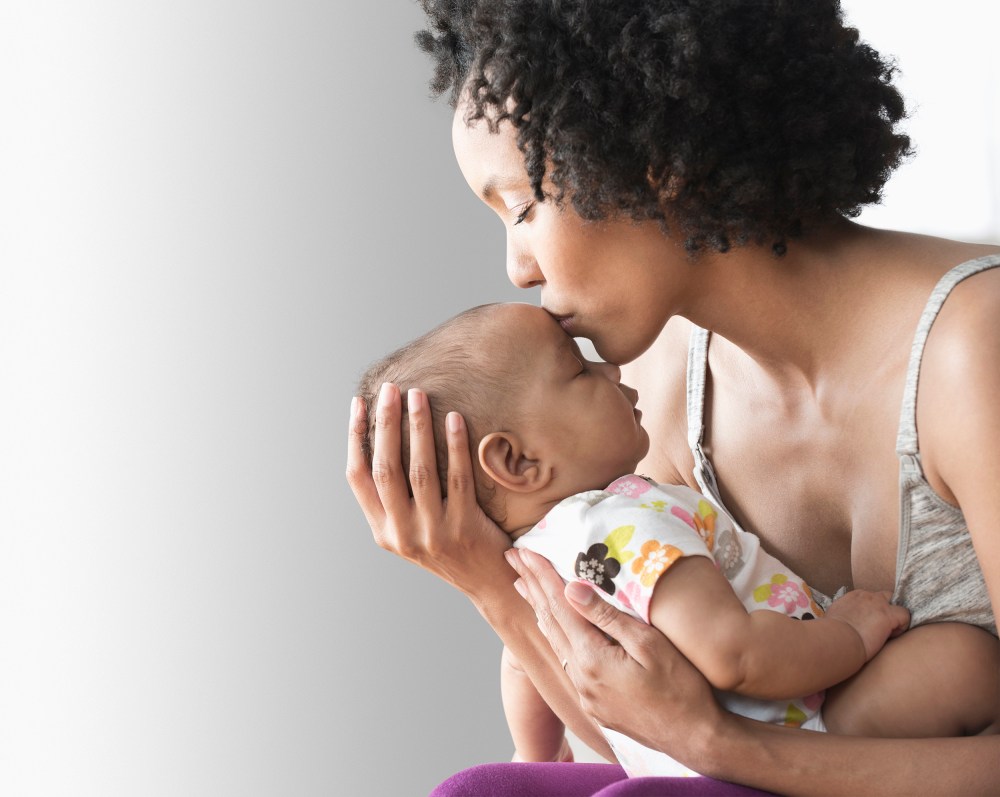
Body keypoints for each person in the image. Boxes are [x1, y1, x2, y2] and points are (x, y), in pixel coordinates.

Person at [347, 1, 1000, 794]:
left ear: (648, 159)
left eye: (521, 207)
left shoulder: (975, 348)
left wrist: (731, 748)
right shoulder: (656, 385)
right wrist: (489, 577)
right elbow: (650, 749)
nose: (517, 268)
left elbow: (704, 748)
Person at [356, 301, 919, 775]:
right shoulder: (618, 526)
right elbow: (736, 656)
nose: (612, 372)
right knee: (958, 662)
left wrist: (537, 755)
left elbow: (523, 666)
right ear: (517, 460)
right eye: (579, 371)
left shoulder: (538, 566)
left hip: (696, 761)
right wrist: (851, 632)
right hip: (805, 721)